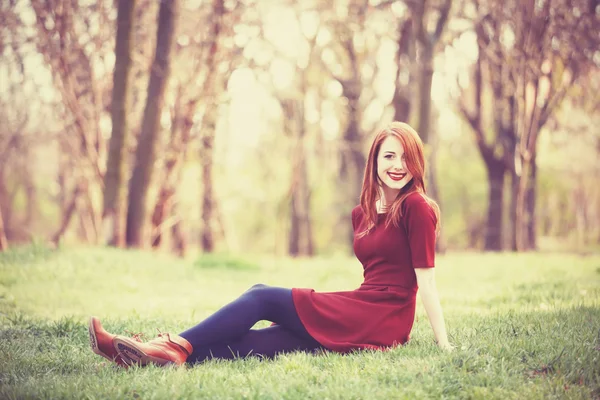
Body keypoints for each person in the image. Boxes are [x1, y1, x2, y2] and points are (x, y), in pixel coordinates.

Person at [89, 121, 451, 368]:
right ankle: (145, 355)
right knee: (257, 344)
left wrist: (444, 345)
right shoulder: (363, 213)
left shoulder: (417, 208)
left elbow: (427, 282)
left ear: (416, 162)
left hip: (382, 318)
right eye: (389, 156)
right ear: (374, 160)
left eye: (406, 157)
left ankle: (171, 344)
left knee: (262, 295)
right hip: (361, 307)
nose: (397, 165)